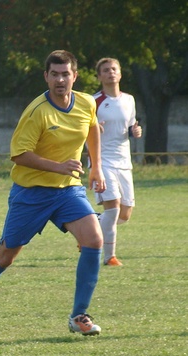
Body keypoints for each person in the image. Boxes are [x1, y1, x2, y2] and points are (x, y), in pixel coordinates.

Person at [0, 50, 107, 339]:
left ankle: (79, 316)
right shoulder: (37, 111)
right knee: (5, 256)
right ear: (46, 77)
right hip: (31, 193)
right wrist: (59, 166)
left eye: (66, 74)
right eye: (54, 74)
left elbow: (91, 128)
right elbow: (19, 155)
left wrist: (96, 167)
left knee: (94, 240)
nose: (60, 79)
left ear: (75, 76)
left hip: (67, 191)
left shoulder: (86, 102)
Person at [93, 57, 142, 266]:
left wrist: (135, 131)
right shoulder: (93, 101)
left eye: (114, 69)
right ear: (99, 76)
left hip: (124, 162)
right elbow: (81, 127)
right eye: (105, 70)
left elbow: (131, 126)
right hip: (102, 161)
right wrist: (94, 128)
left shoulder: (129, 100)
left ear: (120, 74)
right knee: (112, 210)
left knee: (125, 214)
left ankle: (90, 227)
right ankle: (109, 257)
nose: (110, 72)